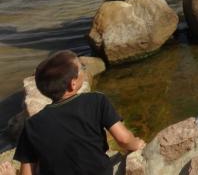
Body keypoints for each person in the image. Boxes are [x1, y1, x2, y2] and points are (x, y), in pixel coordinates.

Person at [14, 50, 145, 175]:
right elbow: (124, 139)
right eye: (82, 68)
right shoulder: (96, 100)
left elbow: (27, 172)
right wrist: (137, 143)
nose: (84, 69)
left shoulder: (32, 124)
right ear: (73, 83)